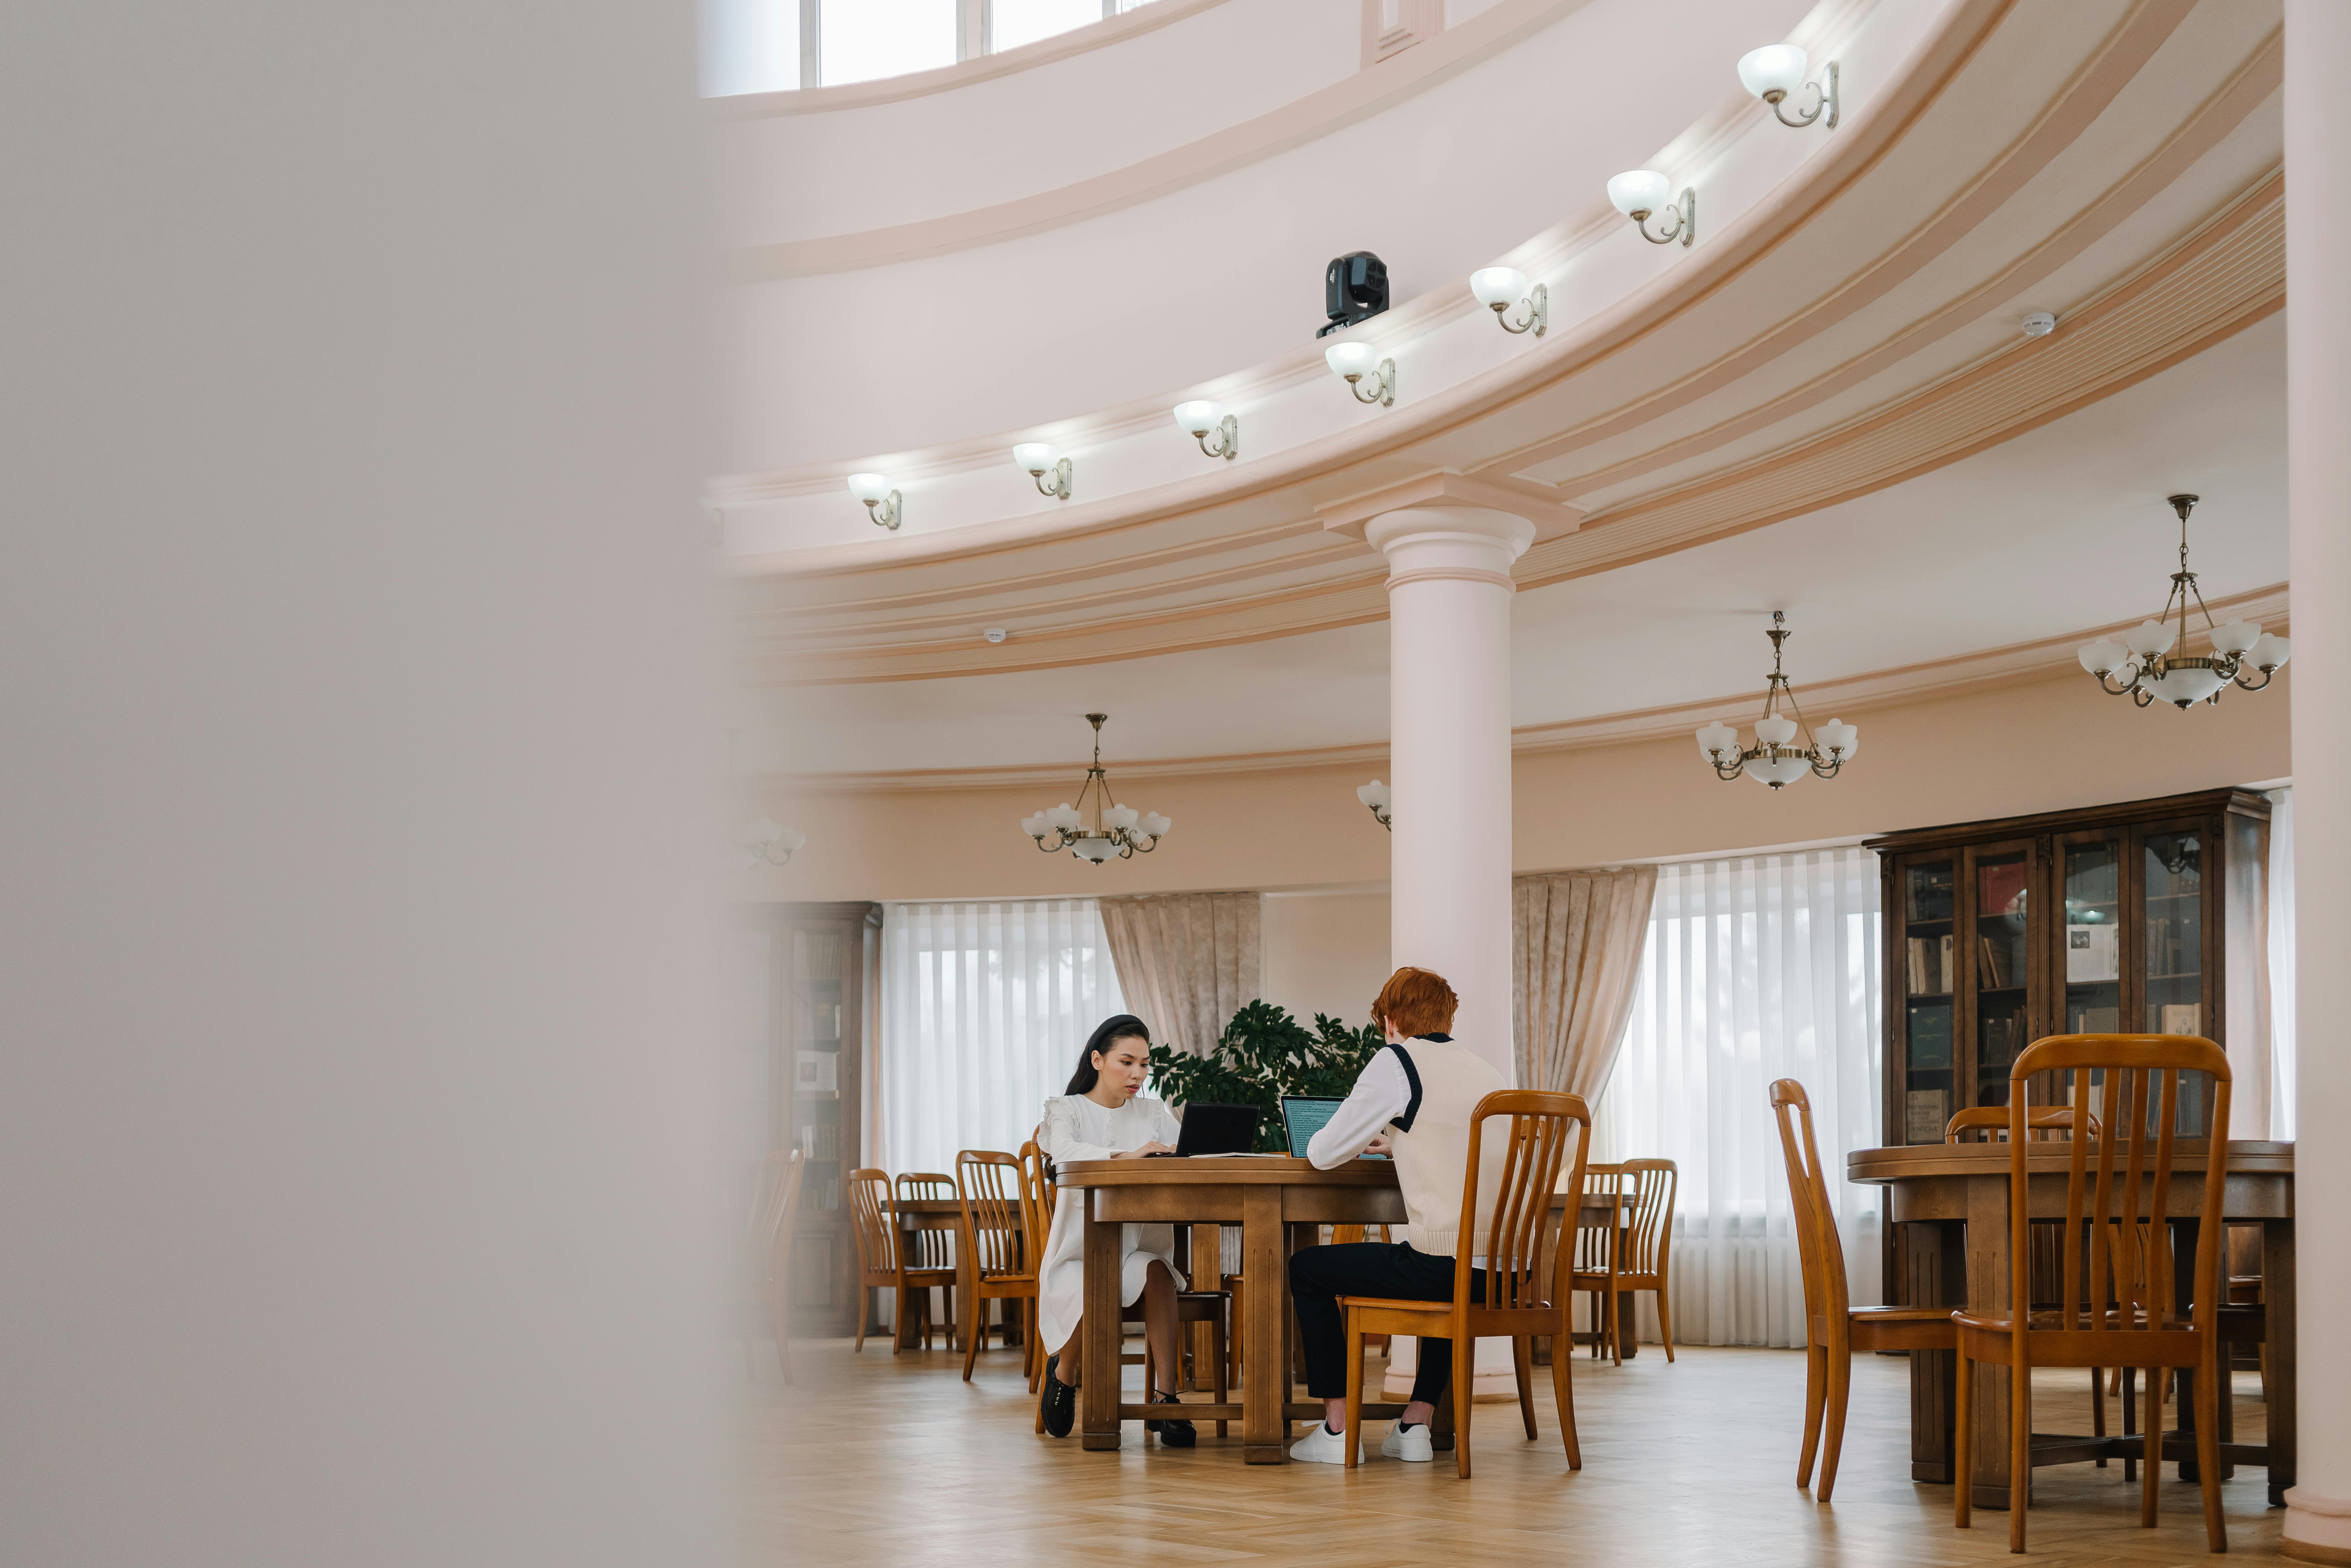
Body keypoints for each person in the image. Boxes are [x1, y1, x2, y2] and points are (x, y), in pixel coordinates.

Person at [1283, 966, 1509, 1464]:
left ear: (1389, 1020)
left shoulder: (1398, 1061)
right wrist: (1402, 1143)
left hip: (1445, 1269)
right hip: (1503, 1272)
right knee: (1446, 1266)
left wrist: (1360, 1137)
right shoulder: (1486, 1071)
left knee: (1308, 1269)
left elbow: (1323, 1153)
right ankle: (1415, 1425)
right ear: (1448, 1016)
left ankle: (1338, 1430)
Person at [1033, 1014, 1197, 1447]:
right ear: (1098, 1060)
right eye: (1127, 1062)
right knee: (1096, 1278)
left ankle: (1167, 1400)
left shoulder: (1151, 1111)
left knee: (1158, 1272)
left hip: (1136, 1250)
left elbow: (1188, 1154)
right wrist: (1128, 1154)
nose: (1138, 1075)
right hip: (1078, 1254)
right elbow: (1064, 1150)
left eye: (1145, 1065)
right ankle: (1065, 1374)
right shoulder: (1065, 1110)